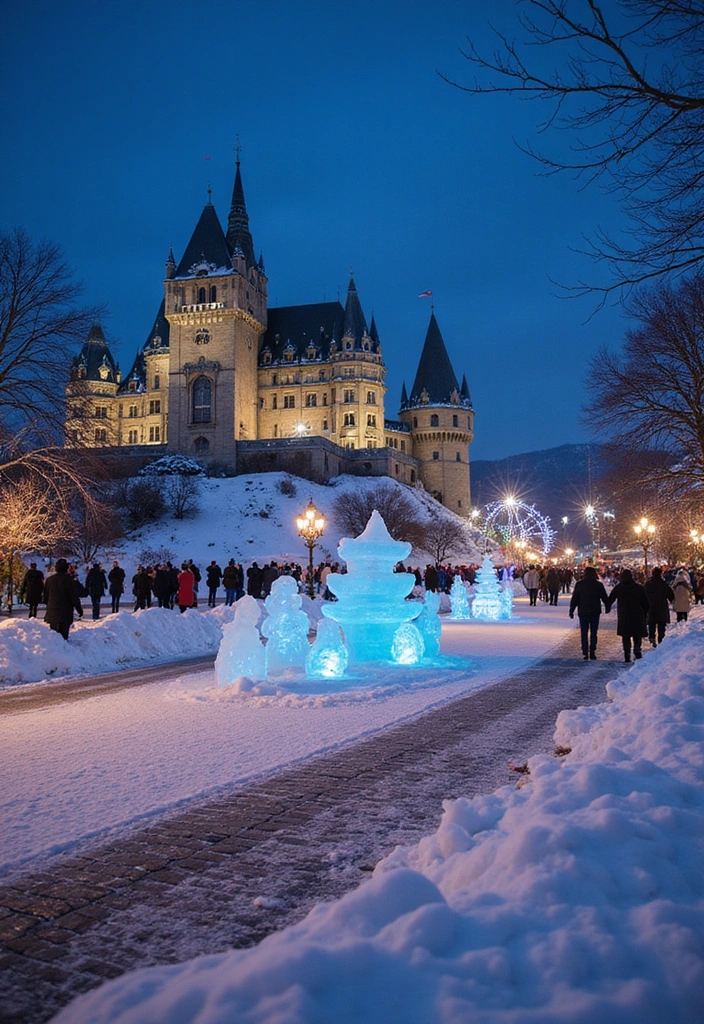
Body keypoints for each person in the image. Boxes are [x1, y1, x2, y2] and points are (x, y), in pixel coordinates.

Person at [605, 568, 649, 662]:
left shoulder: (619, 587)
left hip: (624, 615)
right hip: (637, 614)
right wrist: (645, 613)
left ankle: (627, 653)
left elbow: (610, 599)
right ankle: (637, 649)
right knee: (637, 634)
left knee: (626, 636)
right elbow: (645, 603)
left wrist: (607, 607)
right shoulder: (638, 588)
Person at [569, 565, 609, 660]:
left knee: (584, 632)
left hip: (583, 611)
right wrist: (607, 607)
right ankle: (592, 651)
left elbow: (575, 598)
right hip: (595, 611)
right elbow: (604, 597)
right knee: (594, 632)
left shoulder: (580, 584)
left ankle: (585, 651)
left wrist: (571, 610)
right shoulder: (598, 585)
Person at [43, 558, 84, 640]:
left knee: (53, 638)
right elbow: (74, 597)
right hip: (65, 612)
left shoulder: (49, 580)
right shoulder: (70, 580)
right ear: (66, 568)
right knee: (64, 637)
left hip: (52, 612)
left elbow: (45, 597)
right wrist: (79, 609)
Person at [644, 567, 675, 646]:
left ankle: (652, 638)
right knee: (661, 625)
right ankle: (661, 639)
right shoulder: (664, 584)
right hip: (662, 608)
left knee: (651, 624)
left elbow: (643, 595)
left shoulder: (648, 584)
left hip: (651, 607)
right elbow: (671, 596)